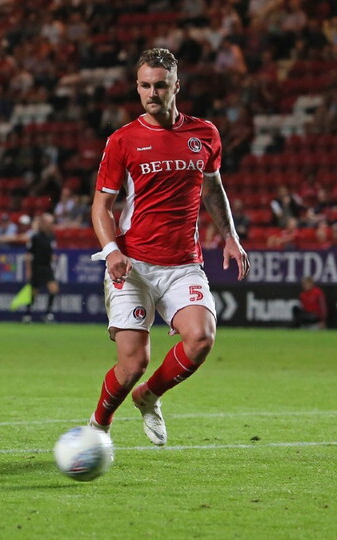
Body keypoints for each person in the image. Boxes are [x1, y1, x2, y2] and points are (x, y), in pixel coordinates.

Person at [89, 48, 250, 447]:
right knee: (132, 365)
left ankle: (149, 396)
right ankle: (98, 426)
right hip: (133, 264)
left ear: (176, 86)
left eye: (160, 85)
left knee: (201, 338)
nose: (152, 93)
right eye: (145, 85)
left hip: (183, 264)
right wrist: (111, 251)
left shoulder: (204, 134)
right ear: (137, 87)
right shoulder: (123, 140)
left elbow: (213, 188)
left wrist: (230, 235)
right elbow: (101, 206)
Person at [22, 213, 59, 323]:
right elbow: (28, 255)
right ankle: (27, 314)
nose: (51, 225)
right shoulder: (36, 237)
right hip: (37, 267)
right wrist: (28, 270)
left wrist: (52, 257)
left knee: (54, 289)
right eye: (49, 223)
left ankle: (48, 314)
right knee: (34, 292)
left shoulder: (52, 237)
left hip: (47, 267)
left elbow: (50, 251)